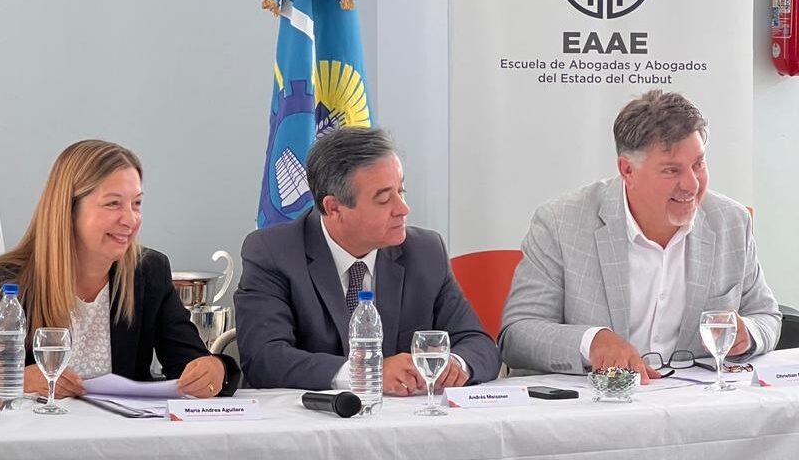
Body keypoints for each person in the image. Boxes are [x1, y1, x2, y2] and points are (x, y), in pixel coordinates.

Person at [499, 90, 781, 382]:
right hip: (596, 403)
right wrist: (591, 342)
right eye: (671, 170)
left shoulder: (731, 221)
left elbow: (766, 316)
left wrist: (748, 334)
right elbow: (518, 335)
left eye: (698, 164)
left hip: (698, 403)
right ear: (627, 170)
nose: (692, 184)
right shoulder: (560, 223)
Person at [235, 126, 500, 393]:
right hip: (311, 416)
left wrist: (455, 364)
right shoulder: (273, 253)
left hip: (405, 416)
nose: (403, 209)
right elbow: (264, 358)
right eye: (384, 199)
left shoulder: (426, 251)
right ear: (334, 208)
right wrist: (366, 372)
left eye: (401, 191)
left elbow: (479, 344)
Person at [0, 140, 239, 397]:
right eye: (113, 204)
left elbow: (189, 365)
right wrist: (22, 380)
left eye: (136, 203)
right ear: (68, 209)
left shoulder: (148, 271)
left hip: (123, 431)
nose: (130, 219)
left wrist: (216, 370)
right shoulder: (7, 279)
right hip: (35, 430)